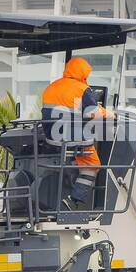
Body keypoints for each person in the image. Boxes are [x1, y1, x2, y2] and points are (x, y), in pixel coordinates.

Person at [42, 56, 110, 207]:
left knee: (75, 155)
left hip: (51, 137)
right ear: (82, 73)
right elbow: (95, 112)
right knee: (92, 163)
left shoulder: (52, 86)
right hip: (70, 137)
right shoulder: (81, 89)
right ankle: (74, 200)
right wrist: (111, 114)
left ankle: (72, 166)